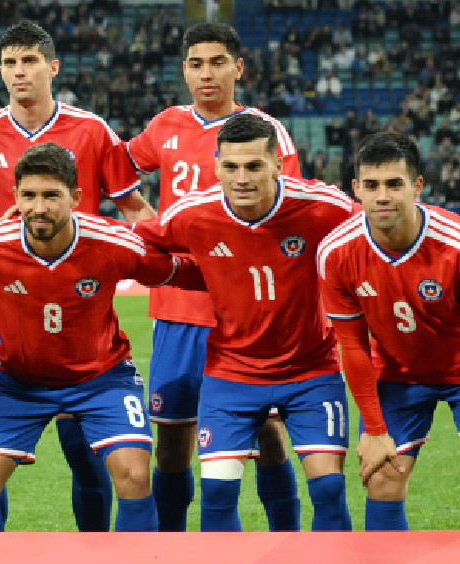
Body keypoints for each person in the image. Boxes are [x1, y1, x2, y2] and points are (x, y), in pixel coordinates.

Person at [0, 19, 156, 533]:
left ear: (52, 67)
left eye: (30, 61)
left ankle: (98, 556)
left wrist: (187, 254)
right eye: (11, 62)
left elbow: (135, 210)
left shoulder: (91, 131)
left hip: (76, 302)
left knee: (87, 453)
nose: (20, 71)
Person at [0, 142, 193, 532]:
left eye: (51, 196)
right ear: (15, 197)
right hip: (18, 383)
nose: (38, 207)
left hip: (102, 378)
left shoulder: (111, 242)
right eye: (29, 196)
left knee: (135, 475)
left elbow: (183, 271)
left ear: (76, 198)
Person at [132, 114, 356, 532]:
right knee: (217, 494)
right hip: (232, 373)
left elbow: (379, 227)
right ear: (216, 166)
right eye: (231, 166)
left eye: (254, 166)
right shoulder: (194, 213)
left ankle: (318, 563)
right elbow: (134, 240)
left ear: (277, 165)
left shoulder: (323, 206)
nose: (242, 178)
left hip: (310, 369)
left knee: (329, 489)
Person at [124, 23, 302, 532]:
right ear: (185, 70)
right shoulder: (166, 125)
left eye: (218, 62)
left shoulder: (265, 132)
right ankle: (171, 550)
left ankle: (288, 543)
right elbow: (114, 169)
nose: (207, 73)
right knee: (172, 441)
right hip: (178, 308)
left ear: (237, 68)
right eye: (197, 63)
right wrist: (142, 217)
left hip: (244, 311)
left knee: (267, 433)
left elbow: (290, 210)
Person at [318, 132, 460, 531]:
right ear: (356, 188)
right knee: (382, 478)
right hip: (399, 372)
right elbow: (353, 347)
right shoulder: (337, 253)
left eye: (394, 184)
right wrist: (374, 430)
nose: (383, 197)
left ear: (417, 186)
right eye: (372, 185)